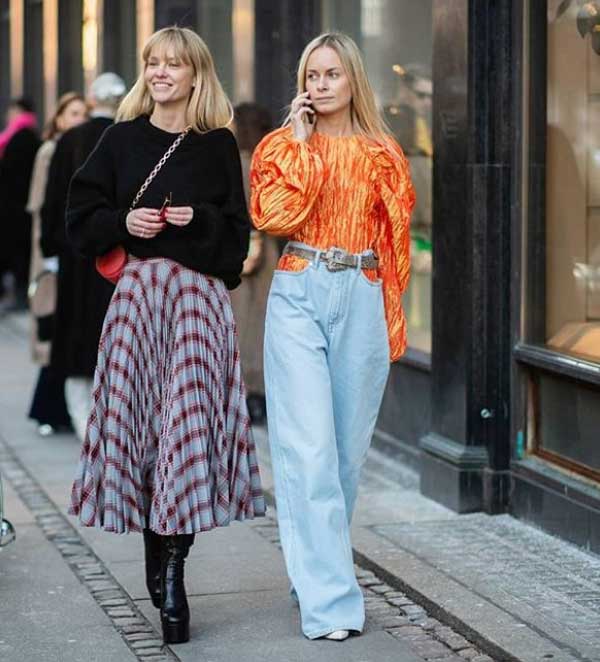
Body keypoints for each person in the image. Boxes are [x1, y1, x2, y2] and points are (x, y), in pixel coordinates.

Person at [66, 27, 265, 645]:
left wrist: (198, 219)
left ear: (196, 74)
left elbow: (237, 241)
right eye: (152, 62)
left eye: (173, 65)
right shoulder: (119, 139)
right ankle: (157, 548)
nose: (160, 73)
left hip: (198, 305)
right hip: (137, 302)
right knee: (147, 432)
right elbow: (77, 218)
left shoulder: (216, 145)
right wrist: (121, 221)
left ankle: (175, 567)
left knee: (186, 431)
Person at [250, 32, 415, 641]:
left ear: (353, 81)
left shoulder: (382, 152)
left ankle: (311, 567)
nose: (320, 85)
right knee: (310, 452)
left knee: (344, 455)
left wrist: (392, 320)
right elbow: (273, 218)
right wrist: (299, 145)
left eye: (331, 75)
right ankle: (332, 605)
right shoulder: (281, 146)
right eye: (311, 75)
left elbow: (397, 244)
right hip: (300, 287)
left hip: (364, 293)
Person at [40, 73, 126, 442]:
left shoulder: (71, 140)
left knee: (78, 340)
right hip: (118, 254)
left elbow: (53, 200)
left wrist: (50, 250)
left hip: (76, 254)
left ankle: (85, 423)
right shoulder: (127, 138)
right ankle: (112, 421)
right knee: (112, 335)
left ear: (92, 99)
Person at [27, 92, 88, 436]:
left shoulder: (84, 146)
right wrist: (47, 253)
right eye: (73, 113)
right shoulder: (51, 150)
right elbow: (41, 205)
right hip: (54, 251)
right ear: (60, 117)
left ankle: (56, 408)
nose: (79, 118)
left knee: (65, 328)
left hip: (70, 249)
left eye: (84, 112)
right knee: (54, 325)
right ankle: (49, 409)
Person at [229, 102, 279, 424]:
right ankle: (260, 391)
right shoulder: (268, 163)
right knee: (262, 322)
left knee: (240, 320)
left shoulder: (233, 163)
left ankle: (243, 391)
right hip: (267, 252)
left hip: (237, 250)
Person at [0, 99, 40, 310]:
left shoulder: (19, 138)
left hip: (15, 207)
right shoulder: (26, 135)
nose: (8, 115)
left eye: (11, 111)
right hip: (17, 206)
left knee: (18, 252)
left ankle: (20, 297)